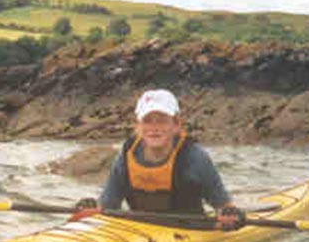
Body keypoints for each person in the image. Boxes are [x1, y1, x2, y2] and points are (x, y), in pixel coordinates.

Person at [75, 89, 244, 230]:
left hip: (191, 229)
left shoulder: (194, 157)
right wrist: (91, 207)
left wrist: (230, 214)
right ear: (138, 126)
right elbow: (107, 207)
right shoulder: (126, 156)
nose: (154, 128)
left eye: (162, 121)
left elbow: (222, 205)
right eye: (147, 121)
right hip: (141, 230)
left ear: (176, 124)